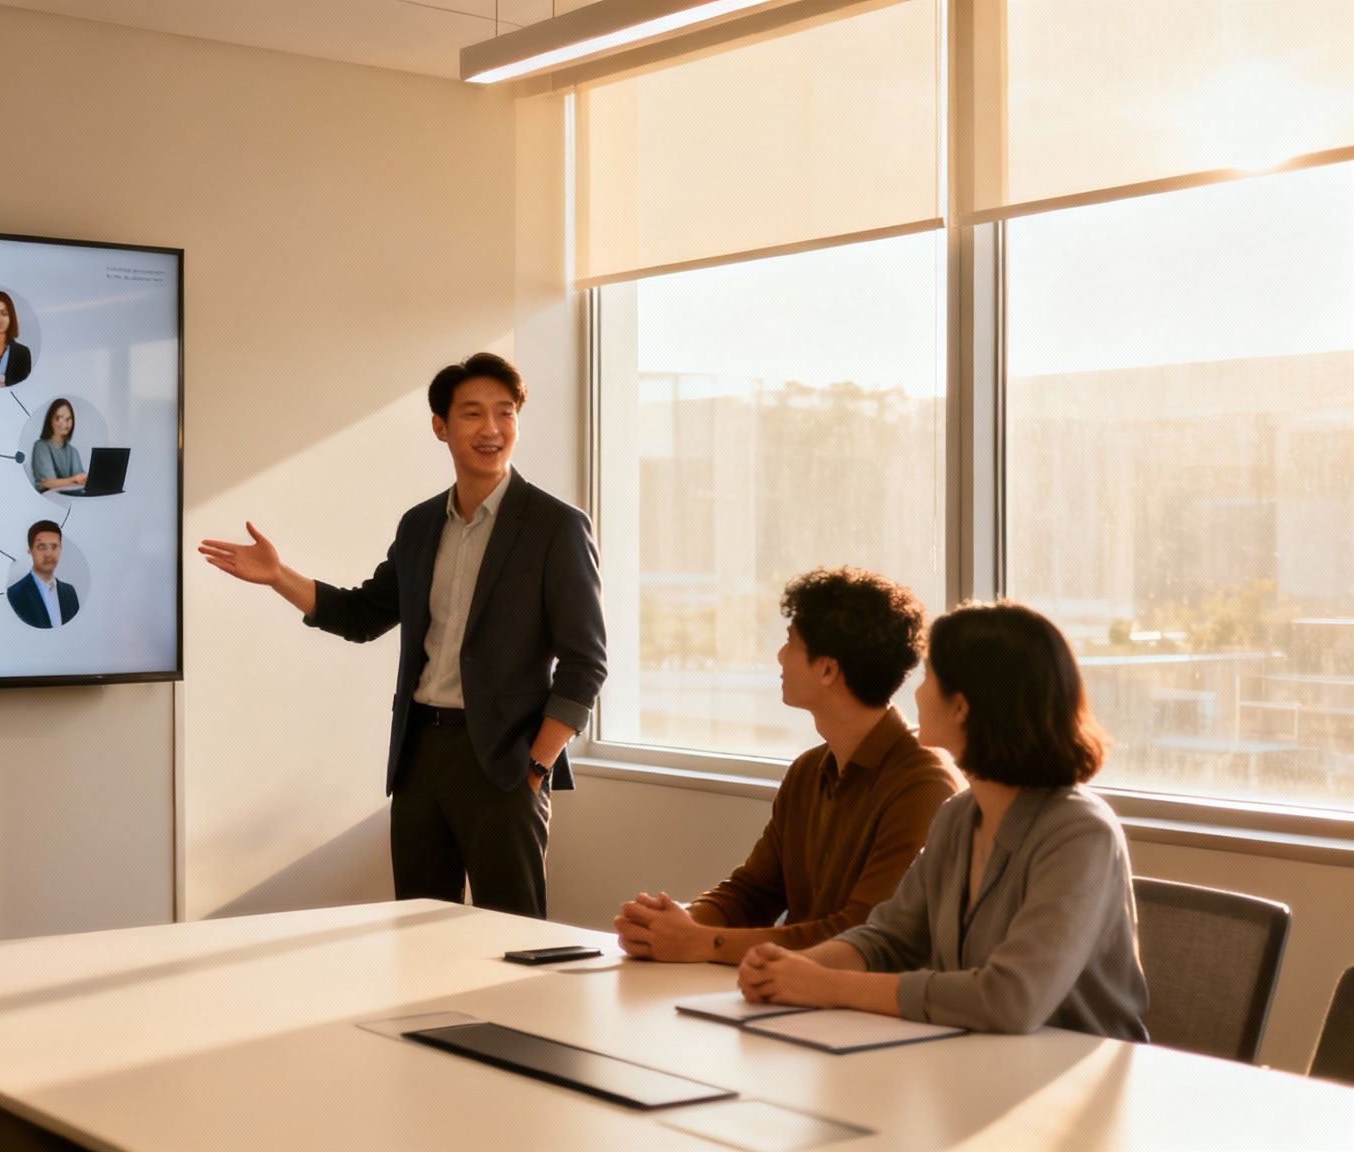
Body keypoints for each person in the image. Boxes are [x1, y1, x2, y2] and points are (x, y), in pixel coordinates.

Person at [198, 352, 605, 919]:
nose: (491, 429)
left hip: (506, 761)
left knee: (514, 937)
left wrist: (535, 767)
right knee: (419, 934)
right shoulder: (419, 525)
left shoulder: (555, 525)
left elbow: (587, 662)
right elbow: (363, 615)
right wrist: (277, 577)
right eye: (472, 414)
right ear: (441, 426)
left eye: (505, 413)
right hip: (419, 757)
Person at [736, 601, 1149, 1041]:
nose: (916, 694)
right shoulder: (959, 816)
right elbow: (887, 939)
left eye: (929, 677)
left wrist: (828, 986)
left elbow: (1010, 999)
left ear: (961, 708)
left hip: (1074, 1082)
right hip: (976, 1062)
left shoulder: (1081, 833)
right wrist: (791, 969)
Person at [614, 568, 959, 964]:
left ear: (828, 669)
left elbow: (862, 932)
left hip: (862, 1009)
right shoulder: (809, 770)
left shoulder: (924, 782)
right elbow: (752, 892)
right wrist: (674, 924)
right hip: (792, 990)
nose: (779, 655)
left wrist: (700, 942)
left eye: (791, 642)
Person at [7, 520, 79, 628]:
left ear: (61, 549)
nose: (49, 554)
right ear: (30, 551)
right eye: (42, 547)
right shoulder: (16, 594)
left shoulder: (70, 592)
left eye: (54, 546)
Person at [30, 398, 86, 492]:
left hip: (69, 500)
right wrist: (74, 480)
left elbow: (81, 480)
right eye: (58, 418)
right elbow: (47, 482)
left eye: (68, 419)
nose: (64, 423)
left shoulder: (73, 451)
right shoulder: (41, 446)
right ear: (50, 420)